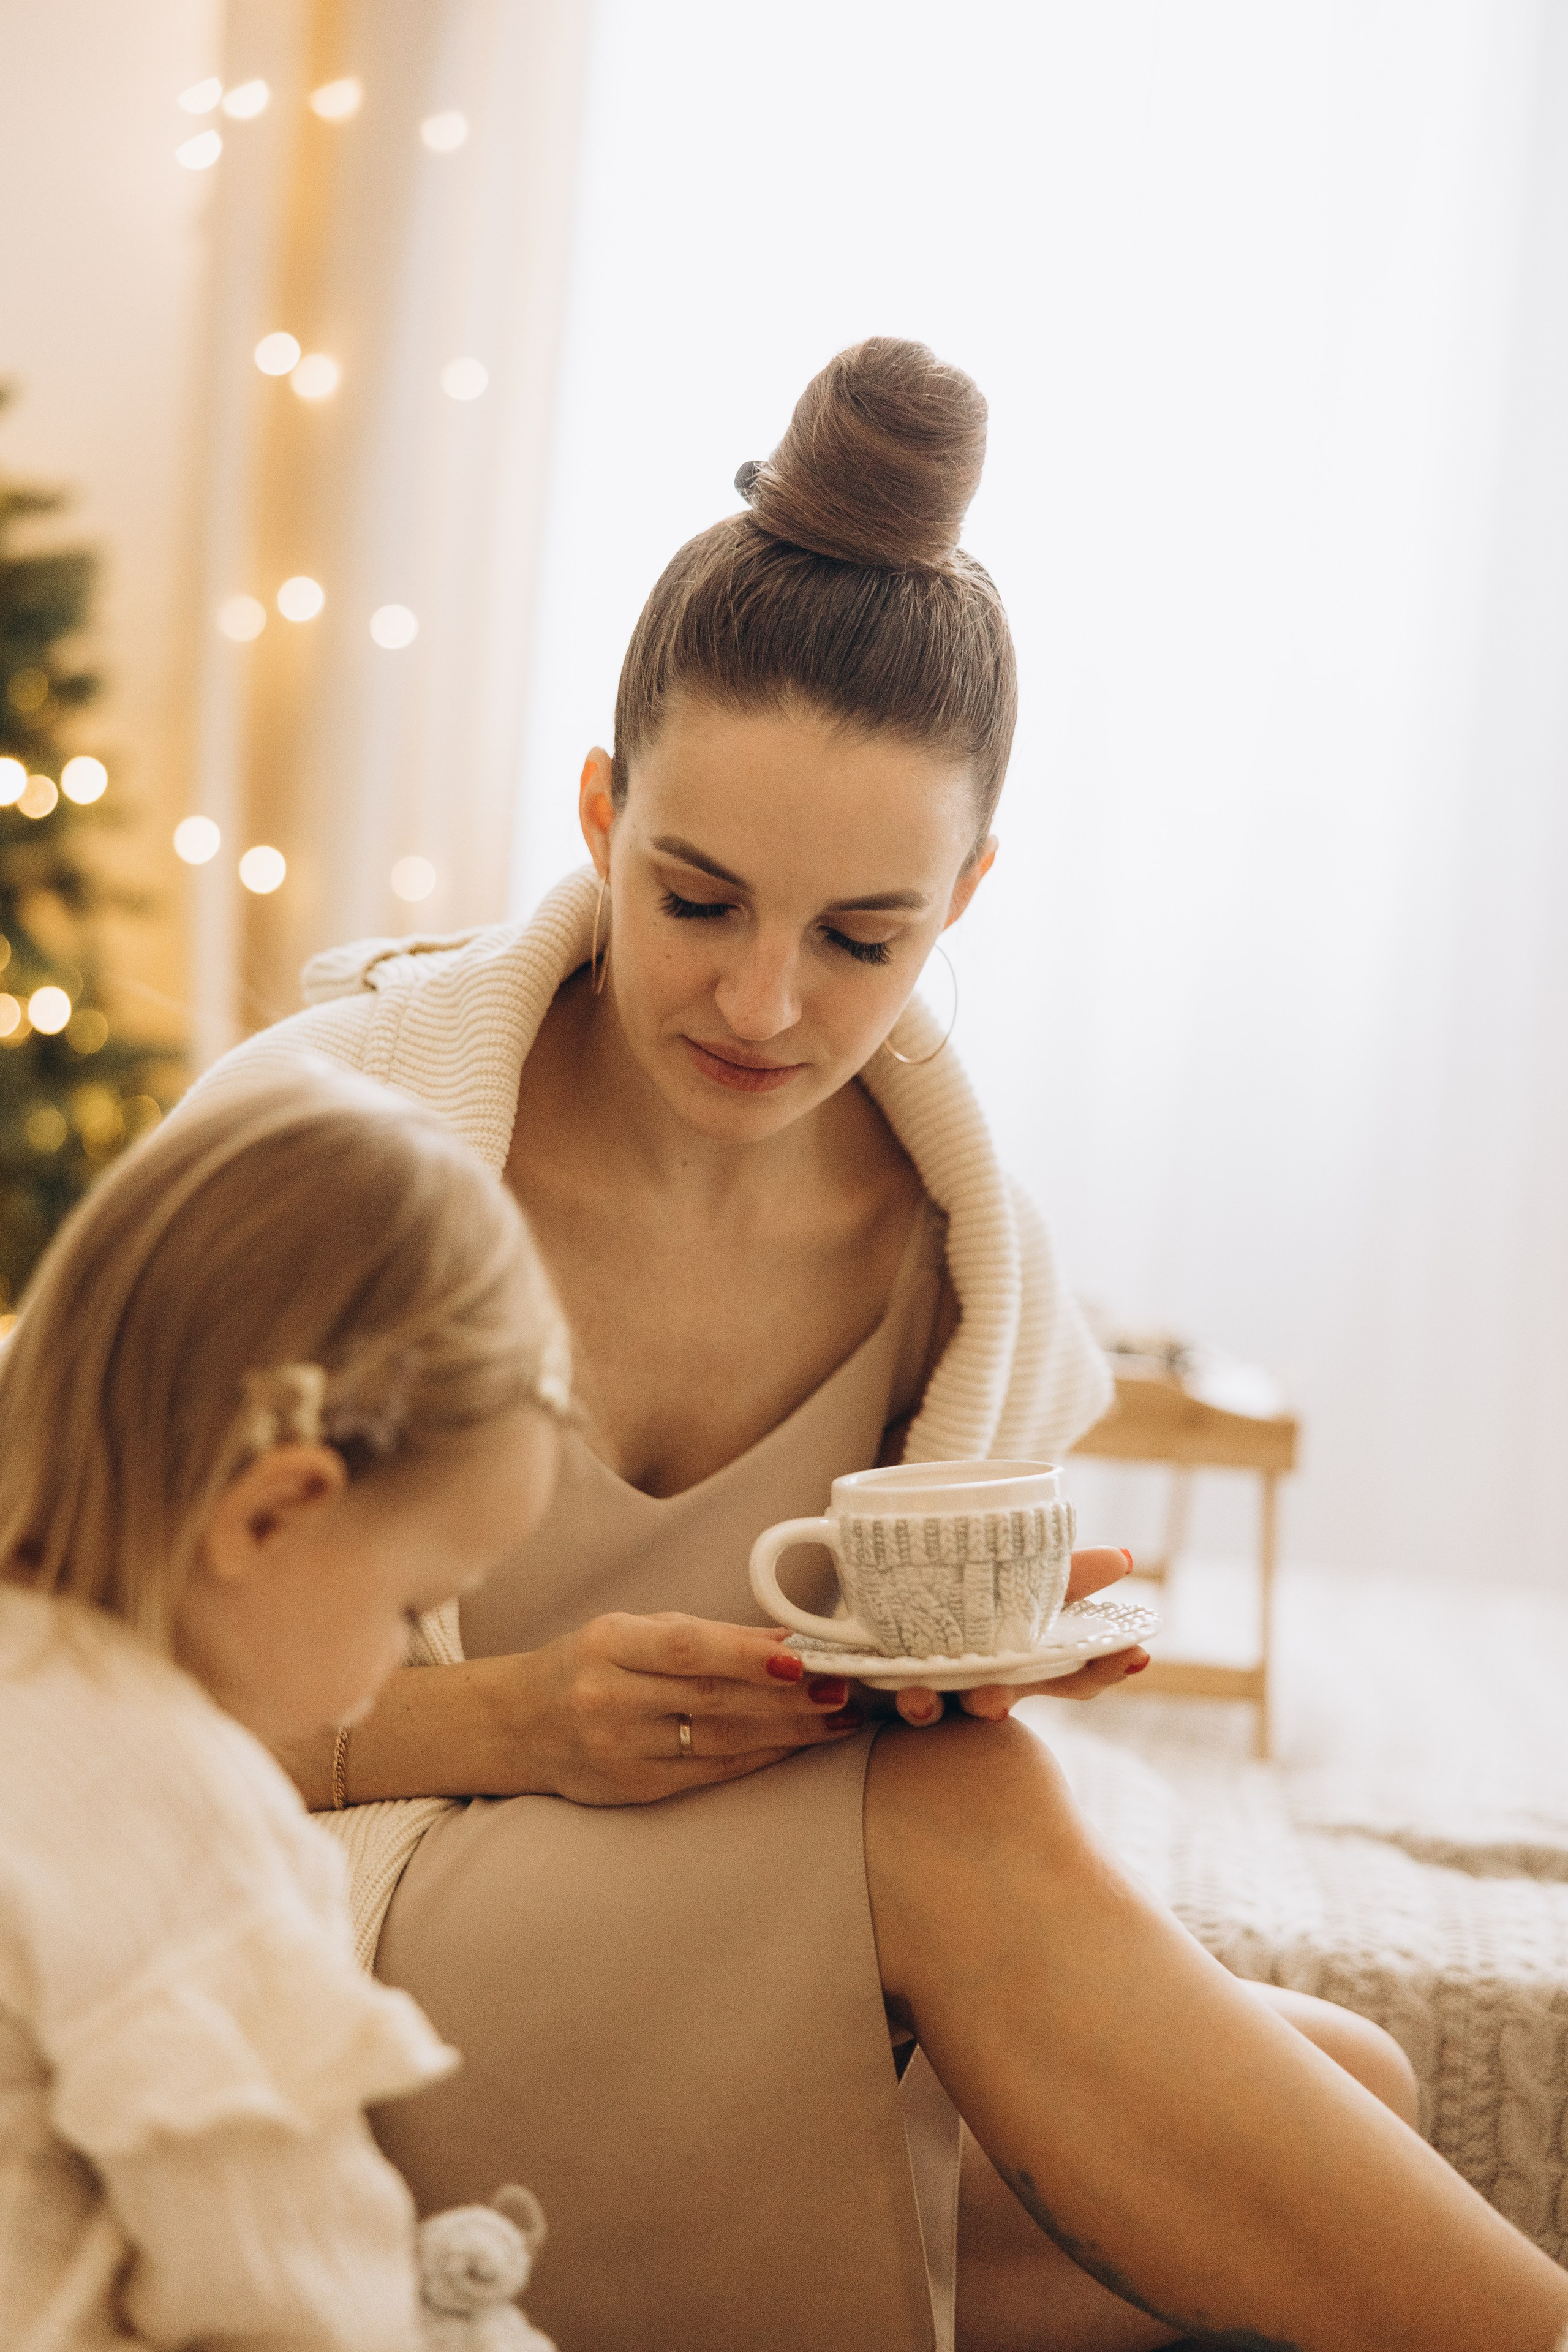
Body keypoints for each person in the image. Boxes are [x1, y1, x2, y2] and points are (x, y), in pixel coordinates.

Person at [204, 342, 1568, 2351]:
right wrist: (510, 1726)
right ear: (600, 812)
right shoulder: (319, 1153)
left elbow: (863, 1764)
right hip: (318, 1924)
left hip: (688, 1971)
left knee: (1330, 2097)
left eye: (861, 938)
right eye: (697, 899)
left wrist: (988, 1676)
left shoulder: (961, 1260)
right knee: (988, 1862)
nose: (763, 1001)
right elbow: (53, 1688)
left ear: (965, 899)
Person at [0, 1068, 568, 2351]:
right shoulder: (174, 1803)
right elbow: (297, 2296)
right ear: (273, 1509)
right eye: (414, 1604)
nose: (400, 1660)